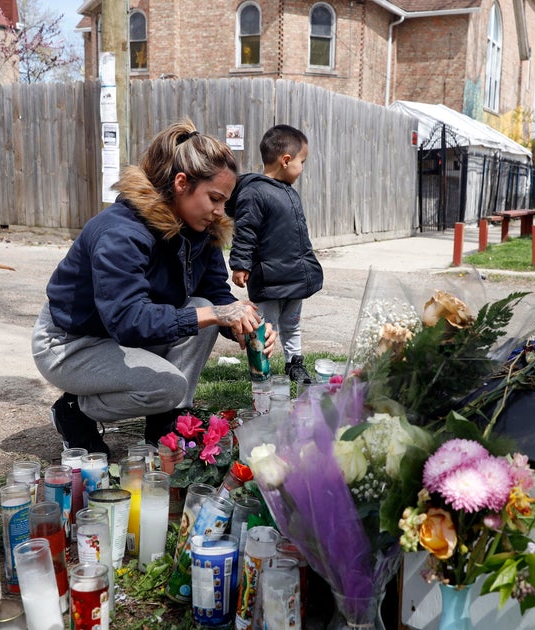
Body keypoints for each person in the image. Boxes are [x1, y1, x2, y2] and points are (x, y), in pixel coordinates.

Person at [33, 120, 276, 456]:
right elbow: (127, 321)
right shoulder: (121, 233)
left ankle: (169, 421)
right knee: (168, 383)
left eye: (225, 202)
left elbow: (216, 295)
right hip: (71, 342)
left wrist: (244, 326)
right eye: (215, 198)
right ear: (181, 183)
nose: (221, 211)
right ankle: (75, 412)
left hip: (119, 336)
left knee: (204, 306)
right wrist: (216, 313)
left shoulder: (200, 228)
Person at [228, 125, 324, 383]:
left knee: (292, 325)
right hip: (269, 279)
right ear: (286, 160)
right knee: (265, 326)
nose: (302, 168)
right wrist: (240, 264)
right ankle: (261, 367)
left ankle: (294, 363)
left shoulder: (288, 192)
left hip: (294, 277)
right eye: (302, 162)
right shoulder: (254, 191)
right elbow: (245, 229)